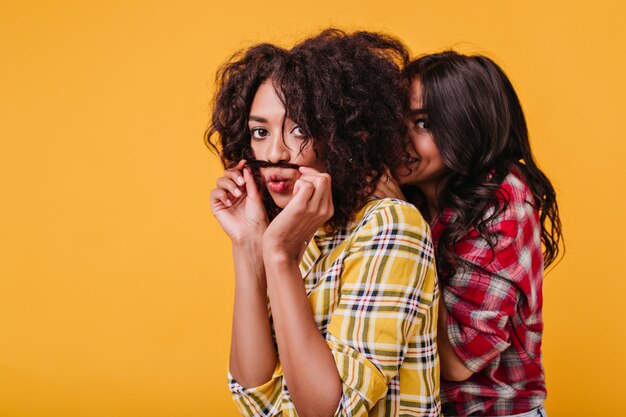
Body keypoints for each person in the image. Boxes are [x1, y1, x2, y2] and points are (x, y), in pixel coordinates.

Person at [206, 30, 441, 417]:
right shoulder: (302, 231)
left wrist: (278, 255)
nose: (275, 152)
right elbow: (253, 392)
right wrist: (248, 244)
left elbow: (328, 411)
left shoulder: (392, 226)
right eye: (260, 132)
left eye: (299, 128)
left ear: (343, 135)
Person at [390, 51, 563, 417]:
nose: (399, 139)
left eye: (423, 123)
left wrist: (403, 223)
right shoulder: (419, 194)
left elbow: (456, 364)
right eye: (398, 120)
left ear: (466, 126)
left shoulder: (503, 204)